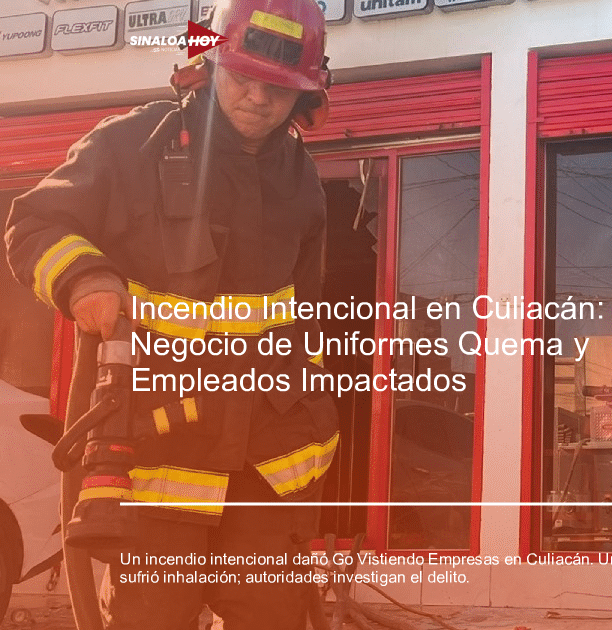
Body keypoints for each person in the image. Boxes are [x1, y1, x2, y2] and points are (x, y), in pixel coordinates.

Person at [5, 1, 337, 628]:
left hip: (268, 466)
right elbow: (34, 223)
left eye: (279, 87)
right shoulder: (133, 144)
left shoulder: (302, 179)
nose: (258, 98)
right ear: (210, 61)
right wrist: (86, 280)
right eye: (244, 76)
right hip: (158, 458)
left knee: (275, 619)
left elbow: (304, 309)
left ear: (306, 94)